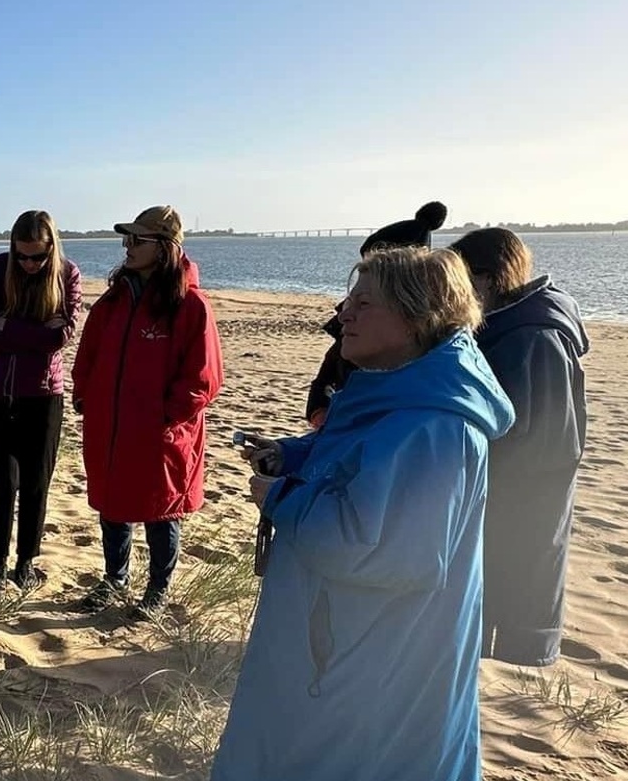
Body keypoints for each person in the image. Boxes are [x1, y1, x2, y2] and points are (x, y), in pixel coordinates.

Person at [210, 247, 515, 781]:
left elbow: (388, 554)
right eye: (347, 299)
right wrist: (294, 455)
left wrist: (281, 498)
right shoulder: (393, 393)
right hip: (339, 642)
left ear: (418, 317)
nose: (342, 314)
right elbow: (358, 458)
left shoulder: (435, 427)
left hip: (369, 656)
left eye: (363, 303)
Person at [70, 205, 223, 616]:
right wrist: (85, 395)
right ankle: (114, 579)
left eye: (138, 240)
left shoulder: (190, 306)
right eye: (127, 239)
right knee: (112, 505)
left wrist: (165, 417)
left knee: (161, 511)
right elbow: (88, 355)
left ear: (165, 247)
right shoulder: (115, 300)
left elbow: (204, 379)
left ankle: (157, 589)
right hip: (110, 425)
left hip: (159, 433)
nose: (128, 246)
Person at [450, 228, 589, 666]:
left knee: (515, 576)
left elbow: (546, 434)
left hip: (523, 490)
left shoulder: (533, 336)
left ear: (487, 280)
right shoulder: (511, 328)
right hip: (511, 483)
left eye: (459, 280)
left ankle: (510, 651)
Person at [0, 210, 83, 591]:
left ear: (51, 247)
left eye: (37, 256)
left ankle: (26, 563)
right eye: (22, 255)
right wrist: (33, 330)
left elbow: (61, 335)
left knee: (37, 482)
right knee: (3, 480)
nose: (29, 263)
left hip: (44, 395)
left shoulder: (68, 273)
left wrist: (10, 327)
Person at [304, 201, 447, 428]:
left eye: (365, 301)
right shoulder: (353, 328)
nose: (345, 316)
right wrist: (320, 417)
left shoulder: (431, 385)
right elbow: (325, 378)